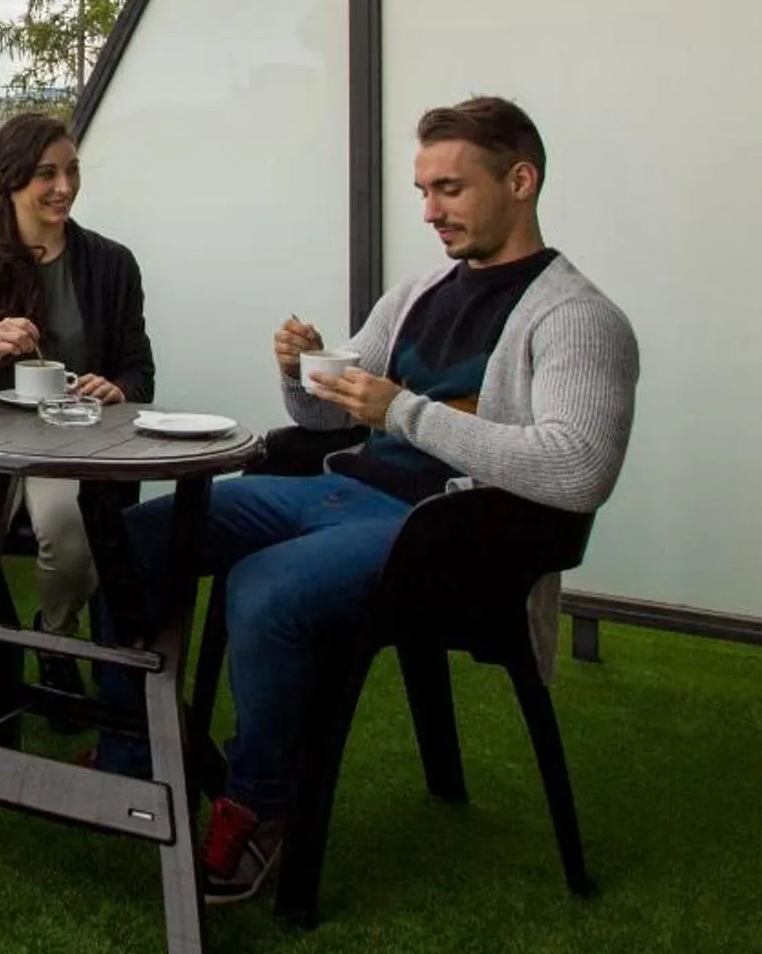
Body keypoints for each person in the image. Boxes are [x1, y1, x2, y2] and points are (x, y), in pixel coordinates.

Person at [95, 95, 638, 905]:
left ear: (520, 181)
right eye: (423, 190)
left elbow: (578, 469)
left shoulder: (579, 319)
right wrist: (301, 371)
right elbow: (329, 415)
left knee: (265, 587)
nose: (429, 211)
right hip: (341, 490)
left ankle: (262, 806)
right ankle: (132, 752)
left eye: (449, 188)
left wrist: (402, 412)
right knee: (133, 537)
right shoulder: (419, 291)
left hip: (447, 534)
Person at [0, 112, 155, 655]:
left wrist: (117, 390)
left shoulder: (113, 265)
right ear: (12, 179)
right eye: (47, 174)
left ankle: (55, 644)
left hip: (72, 441)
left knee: (69, 531)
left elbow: (140, 372)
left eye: (72, 170)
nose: (64, 187)